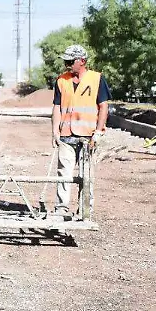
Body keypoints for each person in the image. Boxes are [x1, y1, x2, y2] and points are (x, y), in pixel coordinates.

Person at [50, 44, 110, 216]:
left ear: (82, 61)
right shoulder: (61, 80)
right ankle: (61, 209)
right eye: (66, 61)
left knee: (87, 174)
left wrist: (98, 132)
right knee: (64, 174)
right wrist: (55, 131)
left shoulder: (97, 79)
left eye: (70, 61)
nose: (67, 64)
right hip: (66, 136)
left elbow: (103, 107)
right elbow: (56, 107)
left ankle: (85, 210)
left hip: (88, 137)